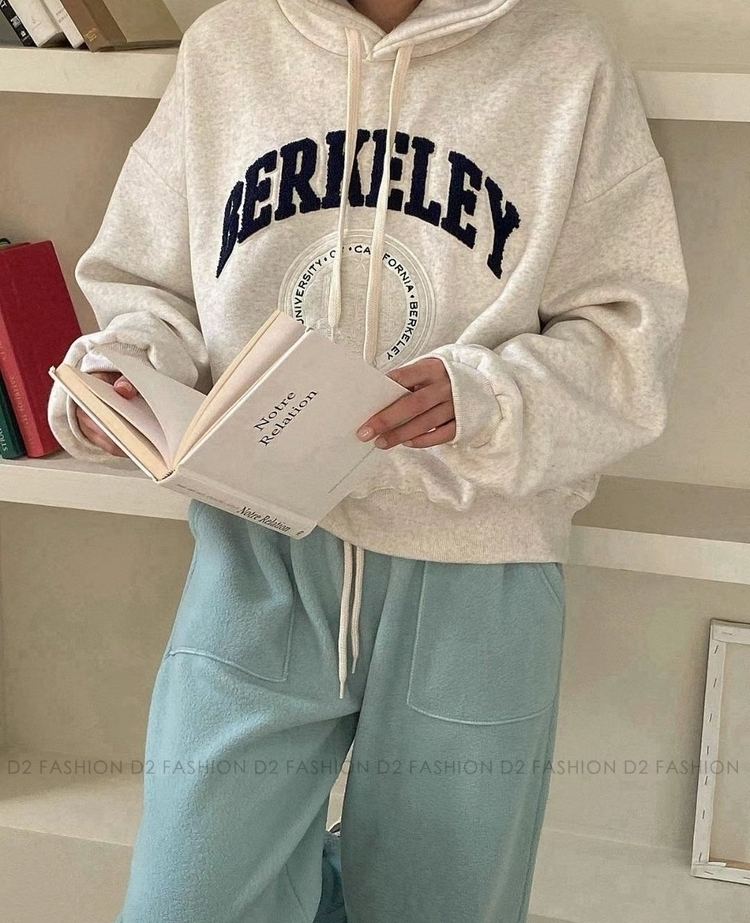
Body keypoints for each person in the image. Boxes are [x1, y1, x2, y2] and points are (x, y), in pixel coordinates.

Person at [47, 0, 689, 920]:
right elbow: (153, 288)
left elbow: (628, 339)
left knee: (443, 904)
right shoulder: (230, 48)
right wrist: (128, 371)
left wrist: (487, 394)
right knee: (187, 898)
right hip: (259, 553)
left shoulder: (568, 63)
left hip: (476, 568)